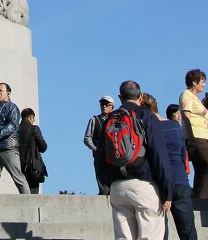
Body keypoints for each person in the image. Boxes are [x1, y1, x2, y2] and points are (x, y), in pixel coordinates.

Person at [96, 80, 173, 240]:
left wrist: (107, 185)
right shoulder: (147, 116)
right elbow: (159, 155)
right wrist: (167, 191)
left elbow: (100, 156)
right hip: (144, 186)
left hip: (118, 187)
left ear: (120, 97)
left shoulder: (111, 118)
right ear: (141, 96)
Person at [144, 95, 198, 240]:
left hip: (158, 183)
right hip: (180, 180)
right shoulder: (175, 126)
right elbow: (182, 155)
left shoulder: (147, 129)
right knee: (188, 231)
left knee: (160, 232)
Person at [179, 68, 208, 198]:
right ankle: (203, 200)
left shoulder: (195, 98)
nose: (204, 84)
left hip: (202, 137)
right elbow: (186, 117)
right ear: (194, 82)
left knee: (201, 169)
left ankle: (197, 199)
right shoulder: (187, 95)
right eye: (202, 81)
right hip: (197, 137)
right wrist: (191, 138)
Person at [0, 83, 30, 193]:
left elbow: (13, 126)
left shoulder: (12, 108)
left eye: (1, 90)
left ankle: (30, 202)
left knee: (19, 178)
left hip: (8, 148)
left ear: (8, 93)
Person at [83, 95, 114, 195]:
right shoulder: (94, 119)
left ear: (112, 106)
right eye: (102, 104)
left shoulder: (115, 120)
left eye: (107, 104)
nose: (104, 106)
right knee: (103, 187)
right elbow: (87, 138)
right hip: (100, 156)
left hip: (114, 157)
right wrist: (95, 149)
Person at [18, 108, 47, 194]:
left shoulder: (16, 129)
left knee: (23, 192)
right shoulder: (34, 128)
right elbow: (43, 147)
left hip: (19, 165)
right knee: (33, 193)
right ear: (31, 118)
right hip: (32, 166)